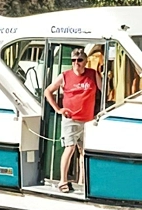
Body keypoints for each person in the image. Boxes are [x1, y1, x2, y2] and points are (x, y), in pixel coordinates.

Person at [44, 47, 103, 193]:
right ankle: (62, 181)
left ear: (85, 61)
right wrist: (58, 109)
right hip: (70, 119)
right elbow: (47, 91)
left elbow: (104, 91)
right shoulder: (64, 75)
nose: (76, 63)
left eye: (80, 60)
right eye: (74, 60)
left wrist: (100, 112)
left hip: (88, 120)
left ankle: (82, 182)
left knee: (84, 151)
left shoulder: (93, 74)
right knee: (69, 148)